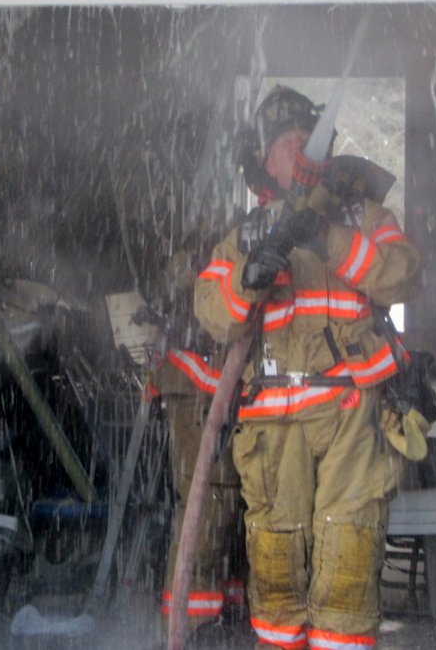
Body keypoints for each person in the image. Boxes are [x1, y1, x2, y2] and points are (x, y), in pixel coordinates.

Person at [193, 85, 427, 650]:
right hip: (274, 432)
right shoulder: (244, 235)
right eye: (284, 143)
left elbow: (404, 274)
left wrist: (327, 237)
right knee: (275, 573)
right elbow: (211, 311)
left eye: (305, 139)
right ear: (265, 160)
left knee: (347, 565)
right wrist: (249, 278)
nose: (297, 150)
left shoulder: (362, 215)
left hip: (352, 417)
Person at [148, 244, 247, 643]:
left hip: (221, 387)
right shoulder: (213, 245)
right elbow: (180, 282)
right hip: (197, 386)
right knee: (209, 509)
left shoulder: (240, 238)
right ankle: (190, 627)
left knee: (239, 516)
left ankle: (227, 618)